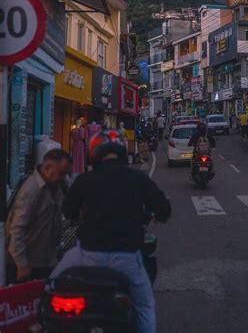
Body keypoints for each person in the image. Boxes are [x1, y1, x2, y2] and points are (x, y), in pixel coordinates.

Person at [50, 140, 171, 333]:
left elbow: (69, 212)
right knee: (145, 306)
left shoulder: (85, 179)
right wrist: (154, 215)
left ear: (96, 156)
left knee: (51, 284)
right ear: (122, 156)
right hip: (126, 258)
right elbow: (164, 210)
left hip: (88, 255)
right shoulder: (137, 178)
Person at [6, 149, 72, 283]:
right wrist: (22, 265)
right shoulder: (31, 190)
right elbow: (17, 230)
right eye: (61, 173)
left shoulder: (57, 185)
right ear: (48, 168)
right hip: (28, 263)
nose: (64, 177)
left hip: (46, 259)